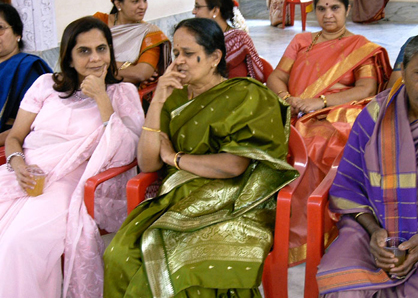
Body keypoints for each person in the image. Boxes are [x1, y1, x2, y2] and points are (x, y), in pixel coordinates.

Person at [103, 18, 298, 298]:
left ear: (214, 57)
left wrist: (174, 157)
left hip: (234, 200)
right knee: (119, 254)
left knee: (186, 265)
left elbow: (234, 165)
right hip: (177, 198)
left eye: (188, 54)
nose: (179, 61)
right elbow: (147, 165)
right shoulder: (172, 98)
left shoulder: (246, 94)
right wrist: (157, 101)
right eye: (176, 53)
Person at [317, 32, 418, 297]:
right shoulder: (374, 116)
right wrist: (373, 232)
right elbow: (349, 182)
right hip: (372, 226)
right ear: (403, 72)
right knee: (343, 288)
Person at [0, 16, 144, 298]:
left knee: (20, 242)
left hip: (70, 184)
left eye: (102, 49)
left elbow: (130, 153)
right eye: (84, 51)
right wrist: (17, 164)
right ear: (68, 56)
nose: (95, 59)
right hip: (25, 173)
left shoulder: (122, 93)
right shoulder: (45, 86)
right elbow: (15, 136)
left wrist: (102, 98)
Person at [267, 0, 391, 264]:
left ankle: (324, 229)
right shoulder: (301, 41)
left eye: (335, 8)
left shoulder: (359, 46)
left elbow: (366, 88)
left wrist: (320, 102)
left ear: (347, 10)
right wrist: (287, 99)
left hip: (337, 112)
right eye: (321, 9)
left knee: (319, 142)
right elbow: (276, 77)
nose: (328, 15)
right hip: (295, 110)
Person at [94, 0, 171, 86]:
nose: (143, 6)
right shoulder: (99, 22)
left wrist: (97, 70)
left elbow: (141, 73)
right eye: (135, 1)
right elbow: (77, 60)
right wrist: (128, 66)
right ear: (118, 4)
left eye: (145, 0)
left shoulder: (150, 33)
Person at [0, 3, 52, 146]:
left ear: (18, 33)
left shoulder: (27, 68)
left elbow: (39, 120)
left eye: (0, 28)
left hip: (12, 144)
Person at [193, 0, 265, 81]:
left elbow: (239, 82)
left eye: (198, 7)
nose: (194, 12)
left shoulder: (238, 40)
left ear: (215, 10)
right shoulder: (197, 37)